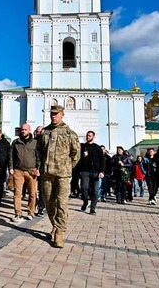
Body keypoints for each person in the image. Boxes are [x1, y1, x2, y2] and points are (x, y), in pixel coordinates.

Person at [36, 105, 80, 248]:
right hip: (47, 173)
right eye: (52, 114)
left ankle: (60, 232)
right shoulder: (45, 132)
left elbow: (76, 154)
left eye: (56, 114)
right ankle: (55, 226)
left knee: (62, 203)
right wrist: (42, 167)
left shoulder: (69, 133)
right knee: (49, 202)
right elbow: (39, 152)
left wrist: (67, 167)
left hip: (62, 174)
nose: (53, 116)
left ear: (62, 114)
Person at [9, 123, 39, 222]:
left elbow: (38, 157)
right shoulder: (16, 142)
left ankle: (31, 212)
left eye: (25, 129)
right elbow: (11, 156)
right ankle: (18, 213)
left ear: (29, 130)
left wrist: (38, 168)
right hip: (18, 171)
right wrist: (11, 167)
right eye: (22, 129)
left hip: (31, 171)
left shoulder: (35, 142)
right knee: (17, 193)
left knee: (32, 193)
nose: (23, 131)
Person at [78, 131, 104, 215]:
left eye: (89, 136)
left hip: (95, 172)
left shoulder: (97, 148)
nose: (87, 137)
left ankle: (93, 208)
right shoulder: (83, 146)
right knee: (84, 188)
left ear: (93, 137)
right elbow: (78, 159)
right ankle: (85, 202)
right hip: (85, 171)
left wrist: (101, 171)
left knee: (95, 191)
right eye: (87, 135)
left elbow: (102, 160)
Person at [0, 129, 11, 207]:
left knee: (0, 183)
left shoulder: (5, 143)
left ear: (0, 134)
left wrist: (7, 164)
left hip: (2, 166)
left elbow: (8, 154)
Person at [33, 126, 46, 216]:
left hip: (42, 168)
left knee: (41, 189)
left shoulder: (45, 143)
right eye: (37, 131)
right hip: (32, 167)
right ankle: (35, 203)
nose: (38, 133)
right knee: (33, 189)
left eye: (40, 131)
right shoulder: (33, 141)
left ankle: (41, 206)